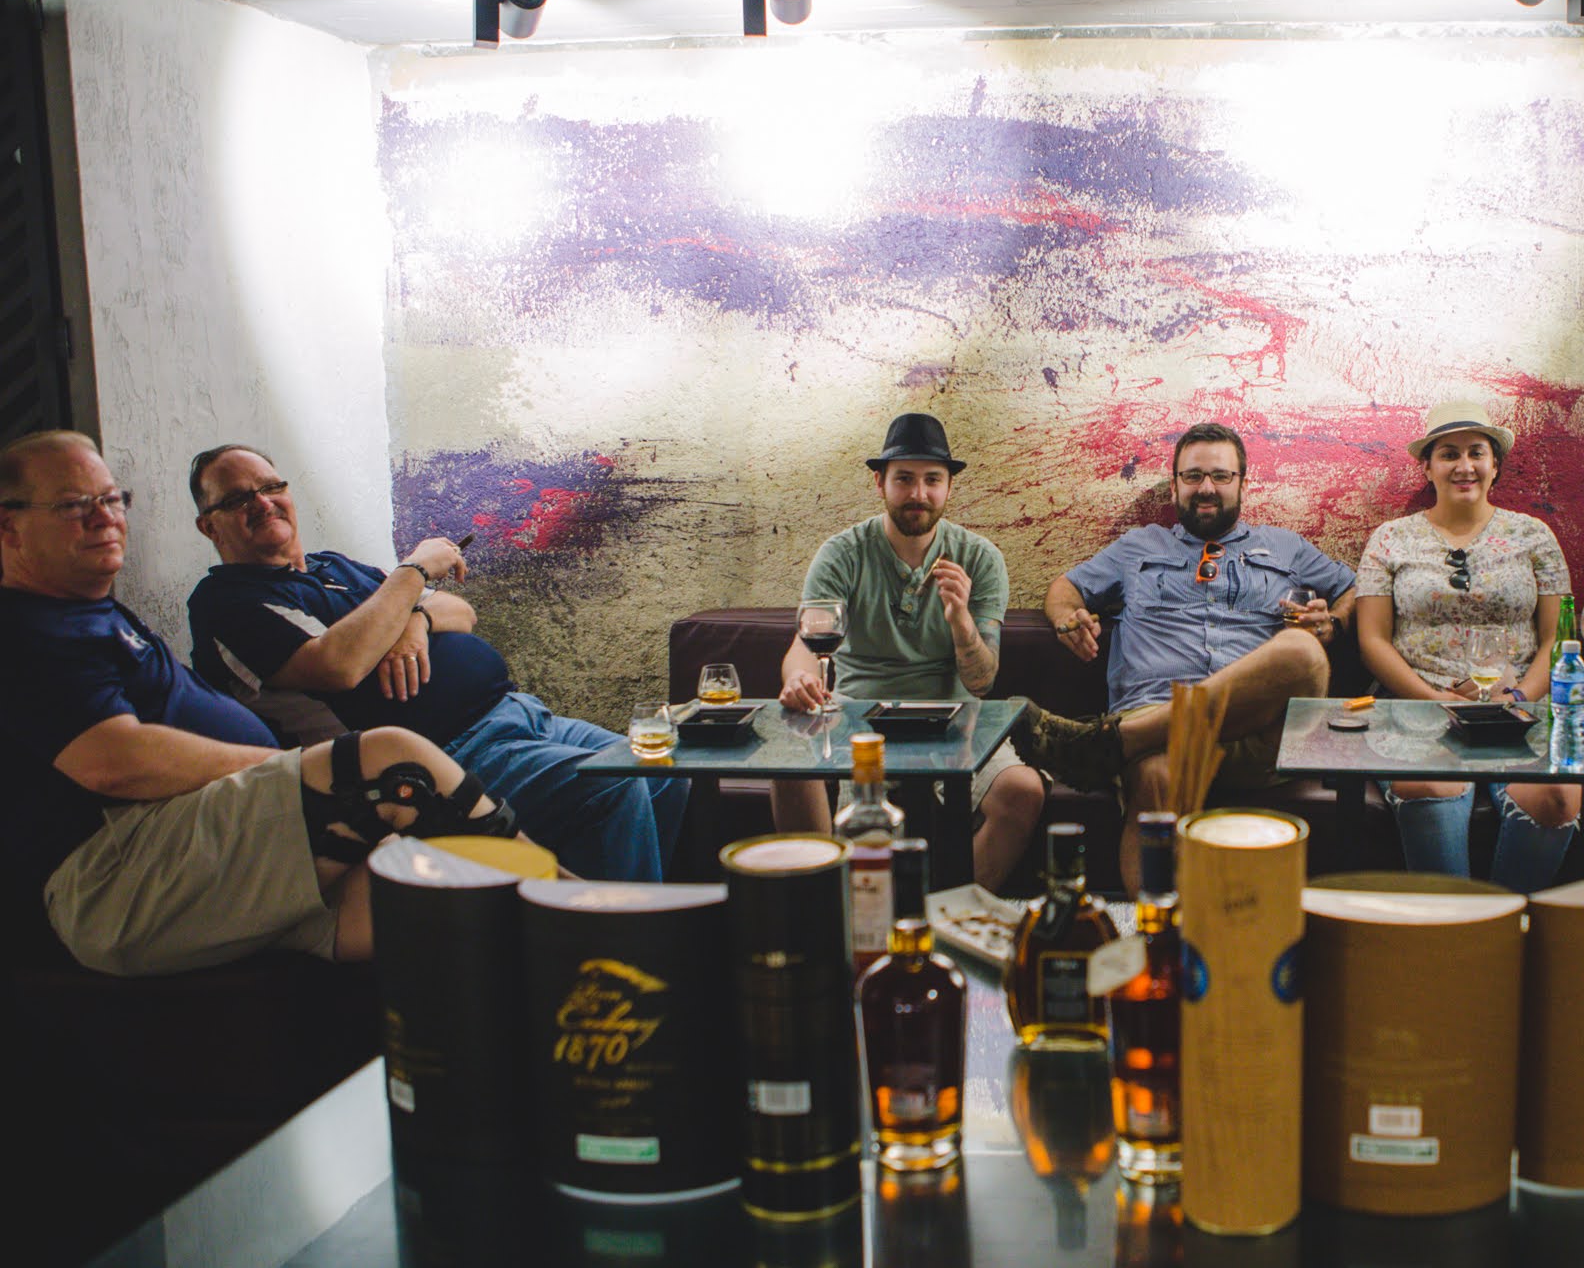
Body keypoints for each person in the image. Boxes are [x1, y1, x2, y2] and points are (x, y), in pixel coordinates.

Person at [2, 431, 518, 976]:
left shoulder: (91, 616)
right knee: (392, 764)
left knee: (442, 887)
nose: (104, 518)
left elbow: (457, 613)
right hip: (122, 875)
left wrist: (414, 619)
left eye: (111, 499)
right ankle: (577, 916)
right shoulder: (23, 628)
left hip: (198, 846)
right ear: (8, 526)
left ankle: (559, 973)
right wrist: (305, 772)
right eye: (73, 504)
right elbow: (112, 760)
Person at [184, 444, 685, 883]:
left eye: (271, 486)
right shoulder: (226, 601)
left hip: (519, 713)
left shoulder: (333, 566)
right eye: (237, 498)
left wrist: (415, 621)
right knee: (614, 786)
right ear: (208, 526)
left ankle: (648, 915)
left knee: (665, 768)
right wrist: (415, 569)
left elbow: (459, 612)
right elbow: (339, 664)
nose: (262, 502)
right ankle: (622, 940)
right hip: (442, 758)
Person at [1012, 422, 1356, 889]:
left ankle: (1112, 743)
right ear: (1175, 485)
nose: (1206, 487)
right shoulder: (1138, 546)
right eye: (1193, 476)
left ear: (1242, 483)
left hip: (1259, 731)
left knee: (1302, 649)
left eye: (1220, 475)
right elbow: (1066, 587)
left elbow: (1355, 588)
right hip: (1160, 726)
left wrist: (1334, 622)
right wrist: (1066, 618)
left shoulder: (1286, 546)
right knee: (1157, 777)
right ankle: (1160, 930)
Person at [771, 414, 1045, 889]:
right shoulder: (843, 553)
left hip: (956, 720)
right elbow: (804, 643)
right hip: (857, 716)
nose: (918, 493)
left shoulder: (980, 558)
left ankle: (946, 915)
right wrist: (799, 679)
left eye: (932, 480)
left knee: (1024, 791)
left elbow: (982, 682)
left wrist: (960, 619)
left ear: (949, 487)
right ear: (880, 483)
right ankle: (827, 905)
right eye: (904, 479)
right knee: (788, 764)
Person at [1354, 400, 1579, 890]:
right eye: (1448, 454)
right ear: (1428, 467)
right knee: (1428, 783)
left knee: (1558, 795)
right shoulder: (1390, 539)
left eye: (1477, 452)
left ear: (1495, 465)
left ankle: (1506, 921)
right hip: (1419, 708)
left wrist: (1519, 698)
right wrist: (1434, 700)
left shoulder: (1533, 535)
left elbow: (1559, 638)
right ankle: (1460, 927)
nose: (1464, 465)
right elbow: (1372, 640)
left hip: (1518, 713)